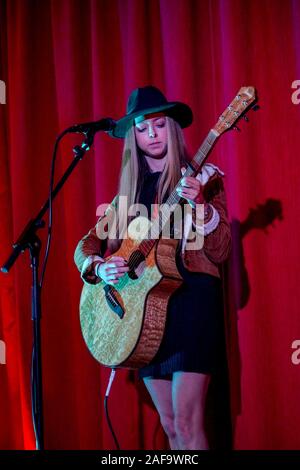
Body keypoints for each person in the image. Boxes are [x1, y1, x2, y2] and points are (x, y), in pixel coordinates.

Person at [74, 86, 231, 450]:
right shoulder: (127, 195)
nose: (151, 136)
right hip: (143, 315)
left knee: (189, 423)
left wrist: (201, 206)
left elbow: (221, 249)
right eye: (142, 129)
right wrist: (99, 267)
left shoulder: (203, 178)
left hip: (192, 304)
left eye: (158, 126)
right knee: (171, 424)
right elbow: (85, 246)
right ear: (133, 137)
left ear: (171, 128)